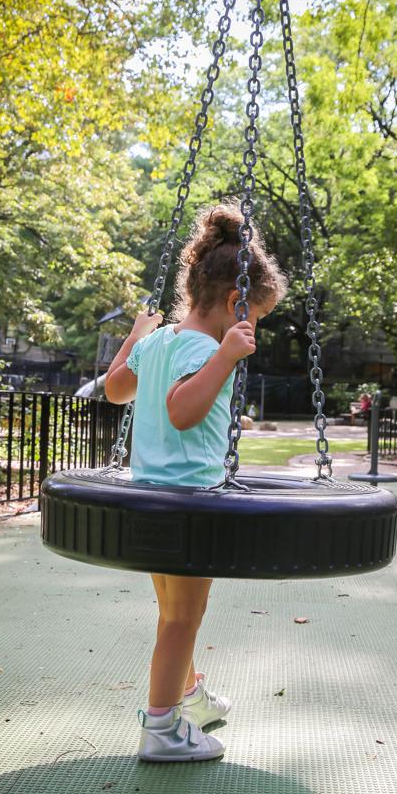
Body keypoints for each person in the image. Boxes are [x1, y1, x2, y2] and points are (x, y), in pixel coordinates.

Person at [102, 201, 287, 762]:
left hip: (153, 497)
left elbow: (115, 390)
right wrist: (226, 356)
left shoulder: (160, 342)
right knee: (184, 616)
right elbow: (183, 410)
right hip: (188, 503)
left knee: (172, 611)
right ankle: (161, 729)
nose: (251, 328)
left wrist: (136, 337)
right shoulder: (208, 347)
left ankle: (187, 692)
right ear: (235, 304)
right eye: (252, 316)